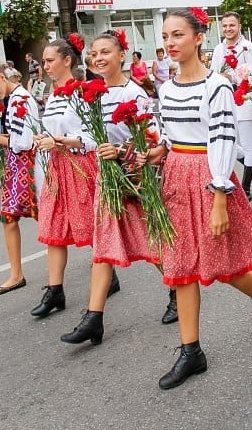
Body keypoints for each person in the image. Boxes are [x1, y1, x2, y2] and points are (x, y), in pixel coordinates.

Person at [148, 8, 252, 390]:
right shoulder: (168, 87)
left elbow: (223, 139)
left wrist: (220, 194)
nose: (170, 43)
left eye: (178, 35)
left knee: (226, 263)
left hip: (210, 178)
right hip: (176, 175)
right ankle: (191, 351)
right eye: (166, 36)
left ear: (197, 37)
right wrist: (159, 149)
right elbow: (171, 133)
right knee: (181, 265)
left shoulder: (217, 86)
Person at [59, 30, 175, 345]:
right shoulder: (90, 94)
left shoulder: (134, 94)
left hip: (134, 178)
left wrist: (121, 153)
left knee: (153, 240)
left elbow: (150, 141)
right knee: (103, 247)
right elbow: (89, 137)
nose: (98, 58)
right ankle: (93, 318)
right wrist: (64, 142)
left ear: (121, 55)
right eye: (94, 53)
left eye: (106, 52)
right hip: (106, 178)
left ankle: (177, 288)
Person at [26, 35, 102, 320]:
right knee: (54, 228)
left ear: (67, 60)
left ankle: (106, 271)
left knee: (92, 227)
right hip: (57, 168)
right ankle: (55, 289)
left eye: (49, 60)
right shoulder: (54, 95)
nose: (44, 66)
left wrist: (60, 141)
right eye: (43, 61)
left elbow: (93, 138)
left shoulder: (82, 92)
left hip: (81, 167)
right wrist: (45, 138)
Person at [0, 58, 39, 295]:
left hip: (26, 165)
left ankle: (17, 273)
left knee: (43, 217)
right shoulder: (14, 99)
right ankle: (16, 272)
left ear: (2, 77)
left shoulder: (20, 99)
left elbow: (24, 141)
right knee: (11, 217)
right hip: (18, 164)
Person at [210, 11, 252, 200]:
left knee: (247, 144)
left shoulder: (248, 47)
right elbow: (213, 72)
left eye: (232, 25)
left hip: (244, 98)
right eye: (225, 25)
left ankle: (246, 188)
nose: (228, 29)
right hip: (225, 100)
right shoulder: (219, 49)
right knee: (228, 142)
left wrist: (237, 76)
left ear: (239, 26)